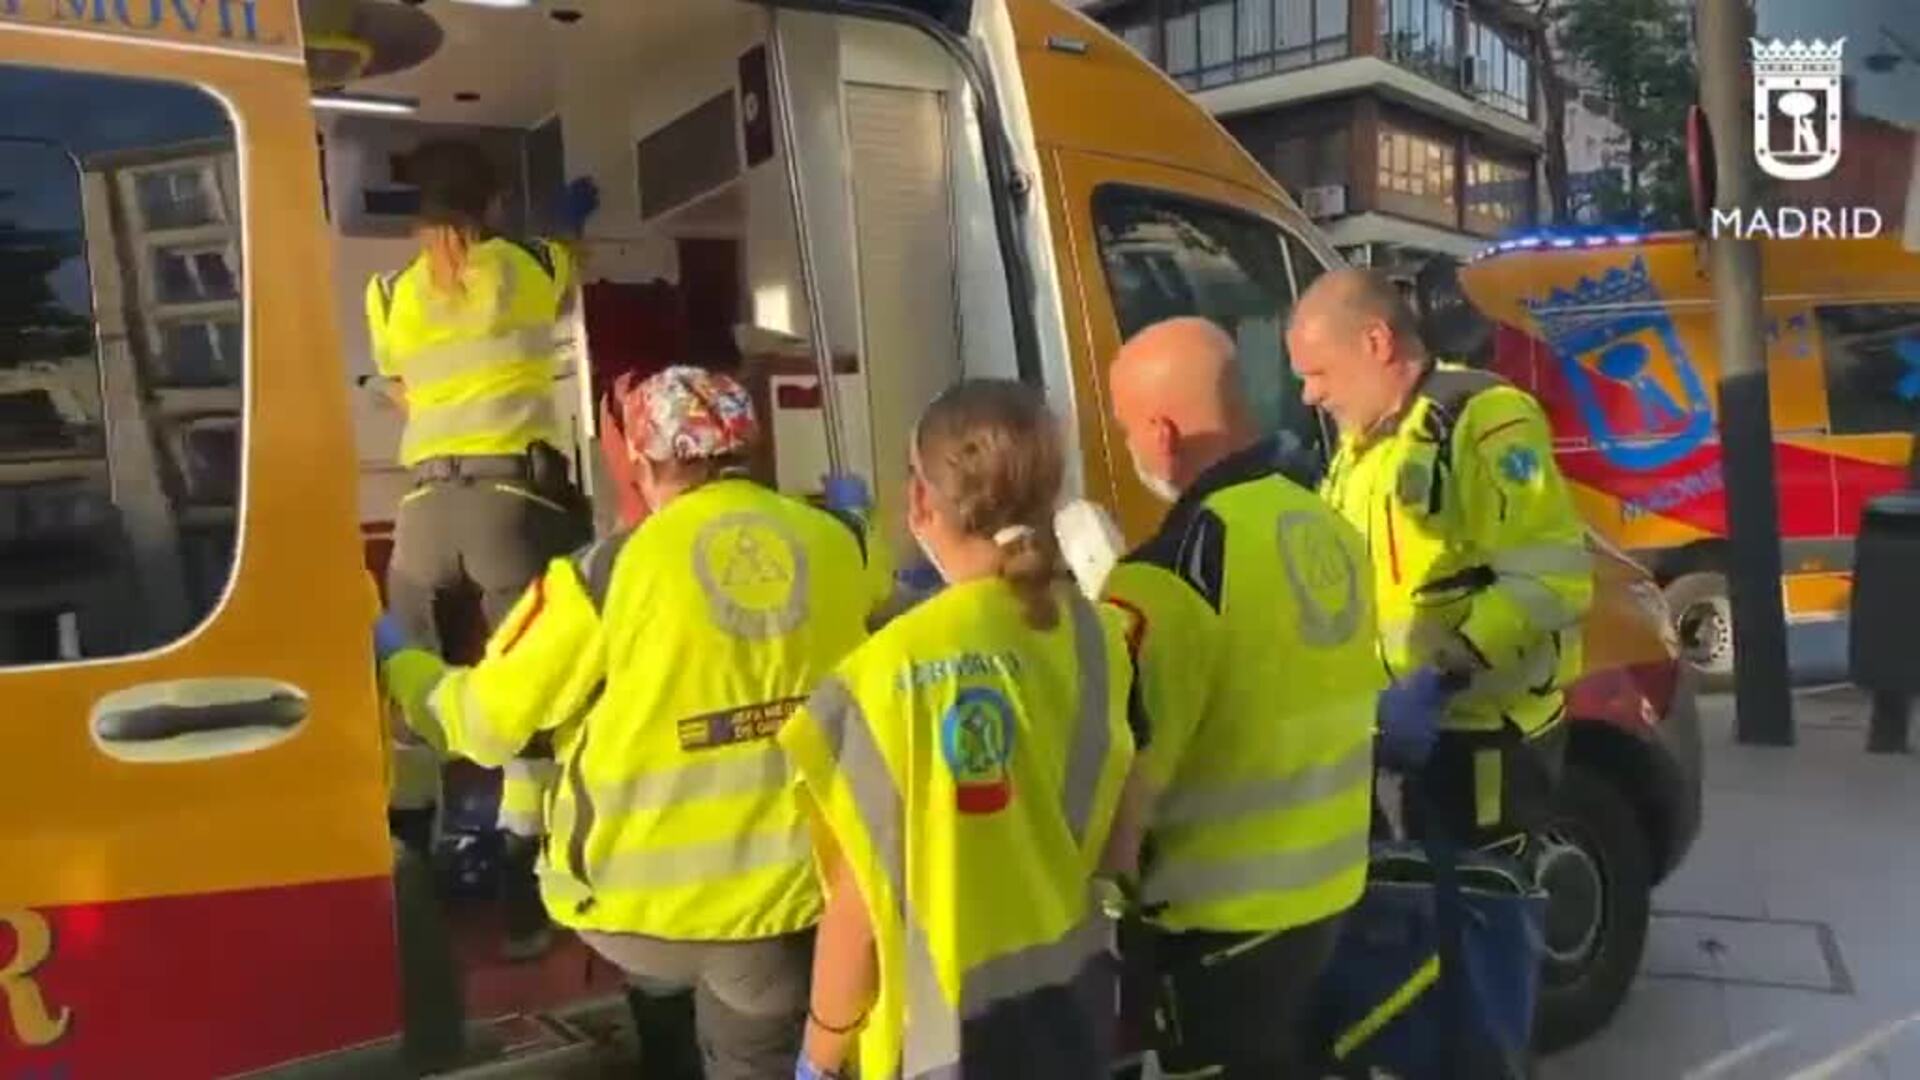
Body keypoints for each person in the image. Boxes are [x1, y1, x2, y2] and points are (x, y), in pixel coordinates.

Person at [375, 366, 894, 1080]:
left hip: (636, 910)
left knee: (665, 1012)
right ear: (749, 451)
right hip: (785, 905)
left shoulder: (600, 576)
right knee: (755, 1049)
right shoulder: (838, 545)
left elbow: (484, 723)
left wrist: (404, 664)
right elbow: (875, 584)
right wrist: (858, 514)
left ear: (644, 466)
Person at [780, 379, 1144, 1080]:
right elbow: (1121, 841)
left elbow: (861, 910)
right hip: (1071, 1014)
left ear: (922, 500)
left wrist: (819, 1055)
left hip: (937, 1039)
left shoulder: (879, 673)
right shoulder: (1099, 635)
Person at [1098, 317, 1384, 1077]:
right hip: (1330, 904)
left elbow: (1122, 797)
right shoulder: (1327, 525)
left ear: (1161, 433)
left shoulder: (1167, 575)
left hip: (1215, 940)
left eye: (1125, 428)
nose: (1127, 446)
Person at [367, 137, 588, 959]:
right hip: (510, 507)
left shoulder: (388, 293)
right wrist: (569, 222)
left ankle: (406, 902)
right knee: (528, 702)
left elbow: (401, 388)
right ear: (492, 204)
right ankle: (524, 908)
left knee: (412, 701)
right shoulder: (524, 265)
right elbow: (567, 270)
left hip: (424, 511)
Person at [1289, 268, 1593, 855]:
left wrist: (1437, 678)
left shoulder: (1483, 418)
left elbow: (1551, 580)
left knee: (1485, 900)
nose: (1309, 395)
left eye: (1317, 373)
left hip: (1486, 742)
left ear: (1376, 342)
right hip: (1399, 738)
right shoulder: (1362, 447)